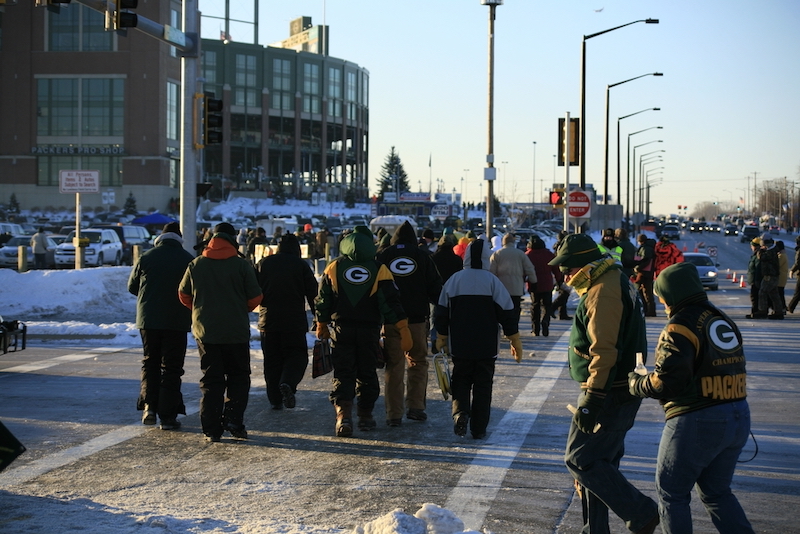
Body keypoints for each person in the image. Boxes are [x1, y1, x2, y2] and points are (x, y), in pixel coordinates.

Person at [628, 262, 755, 534]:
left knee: (672, 494)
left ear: (672, 294)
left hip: (697, 418)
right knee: (717, 493)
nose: (662, 304)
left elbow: (667, 383)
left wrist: (637, 383)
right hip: (738, 414)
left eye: (662, 298)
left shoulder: (679, 326)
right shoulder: (720, 317)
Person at [548, 233, 659, 534]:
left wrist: (593, 399)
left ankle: (642, 512)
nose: (565, 274)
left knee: (581, 460)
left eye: (568, 267)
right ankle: (595, 529)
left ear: (584, 264)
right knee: (600, 464)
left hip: (609, 389)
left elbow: (604, 350)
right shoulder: (613, 278)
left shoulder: (603, 290)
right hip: (617, 387)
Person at [314, 226, 412, 437]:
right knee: (367, 373)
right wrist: (402, 327)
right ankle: (365, 415)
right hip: (369, 331)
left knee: (344, 372)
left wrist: (321, 322)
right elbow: (390, 302)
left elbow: (324, 299)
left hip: (342, 329)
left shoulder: (334, 267)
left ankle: (343, 416)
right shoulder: (380, 269)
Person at [179, 222, 263, 442]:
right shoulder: (241, 265)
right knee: (238, 377)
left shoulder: (196, 265)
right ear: (233, 240)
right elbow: (255, 297)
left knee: (211, 379)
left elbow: (183, 295)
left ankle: (211, 428)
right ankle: (234, 419)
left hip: (206, 332)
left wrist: (200, 311)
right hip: (235, 331)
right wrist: (238, 309)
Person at [434, 238, 523, 439]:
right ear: (486, 258)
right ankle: (479, 428)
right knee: (483, 386)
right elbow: (507, 312)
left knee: (461, 380)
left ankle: (460, 412)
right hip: (486, 346)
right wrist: (514, 338)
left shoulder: (454, 280)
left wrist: (441, 335)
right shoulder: (493, 282)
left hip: (460, 344)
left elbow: (441, 312)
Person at [127, 222, 194, 430]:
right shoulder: (188, 260)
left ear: (160, 239)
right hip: (177, 321)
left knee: (150, 362)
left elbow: (132, 287)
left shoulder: (146, 257)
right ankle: (168, 416)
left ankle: (149, 406)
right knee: (172, 368)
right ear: (179, 240)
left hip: (149, 321)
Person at [377, 221, 443, 426]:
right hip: (416, 320)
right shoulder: (423, 257)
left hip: (391, 320)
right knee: (417, 362)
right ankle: (416, 407)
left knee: (394, 365)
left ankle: (393, 413)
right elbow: (436, 289)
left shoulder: (383, 256)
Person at [255, 233, 318, 410]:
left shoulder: (264, 263)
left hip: (268, 322)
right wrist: (319, 318)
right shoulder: (301, 265)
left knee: (272, 360)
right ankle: (288, 383)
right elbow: (313, 294)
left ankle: (275, 399)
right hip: (294, 322)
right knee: (296, 356)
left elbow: (253, 289)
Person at [489, 233, 537, 330]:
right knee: (515, 307)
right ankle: (514, 327)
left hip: (501, 288)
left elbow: (491, 272)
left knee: (502, 308)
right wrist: (533, 281)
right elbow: (529, 268)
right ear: (513, 242)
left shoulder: (497, 254)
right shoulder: (520, 254)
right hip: (516, 287)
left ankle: (503, 327)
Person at [525, 235, 561, 337]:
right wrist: (559, 280)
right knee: (547, 305)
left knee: (535, 306)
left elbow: (524, 269)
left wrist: (522, 280)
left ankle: (535, 329)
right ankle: (545, 321)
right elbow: (556, 269)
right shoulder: (548, 254)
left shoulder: (528, 255)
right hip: (547, 284)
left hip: (533, 284)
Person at [752, 234, 782, 319]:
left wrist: (760, 251)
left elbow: (761, 257)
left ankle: (763, 311)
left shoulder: (770, 251)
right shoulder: (772, 250)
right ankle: (778, 311)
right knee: (774, 294)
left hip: (770, 276)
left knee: (762, 292)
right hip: (772, 276)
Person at [550, 230, 572, 320]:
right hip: (562, 270)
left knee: (563, 292)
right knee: (565, 293)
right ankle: (553, 308)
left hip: (560, 270)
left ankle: (562, 313)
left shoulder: (557, 246)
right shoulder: (563, 247)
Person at [634, 233, 657, 317]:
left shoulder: (645, 249)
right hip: (647, 273)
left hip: (644, 273)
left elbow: (645, 260)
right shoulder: (647, 248)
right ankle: (648, 309)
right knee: (646, 292)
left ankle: (649, 310)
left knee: (645, 292)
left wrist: (638, 268)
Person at [776, 240, 788, 313]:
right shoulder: (782, 254)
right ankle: (783, 307)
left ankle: (782, 307)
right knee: (780, 293)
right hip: (782, 277)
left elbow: (777, 265)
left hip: (780, 277)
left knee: (779, 293)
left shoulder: (781, 256)